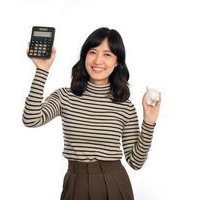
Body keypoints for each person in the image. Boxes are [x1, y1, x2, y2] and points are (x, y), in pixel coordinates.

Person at [22, 27, 161, 200]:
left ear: (117, 61)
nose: (98, 60)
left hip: (114, 182)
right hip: (76, 183)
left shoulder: (125, 106)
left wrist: (149, 122)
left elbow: (136, 162)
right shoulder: (65, 96)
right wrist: (42, 70)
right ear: (84, 56)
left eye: (107, 54)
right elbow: (31, 119)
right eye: (92, 52)